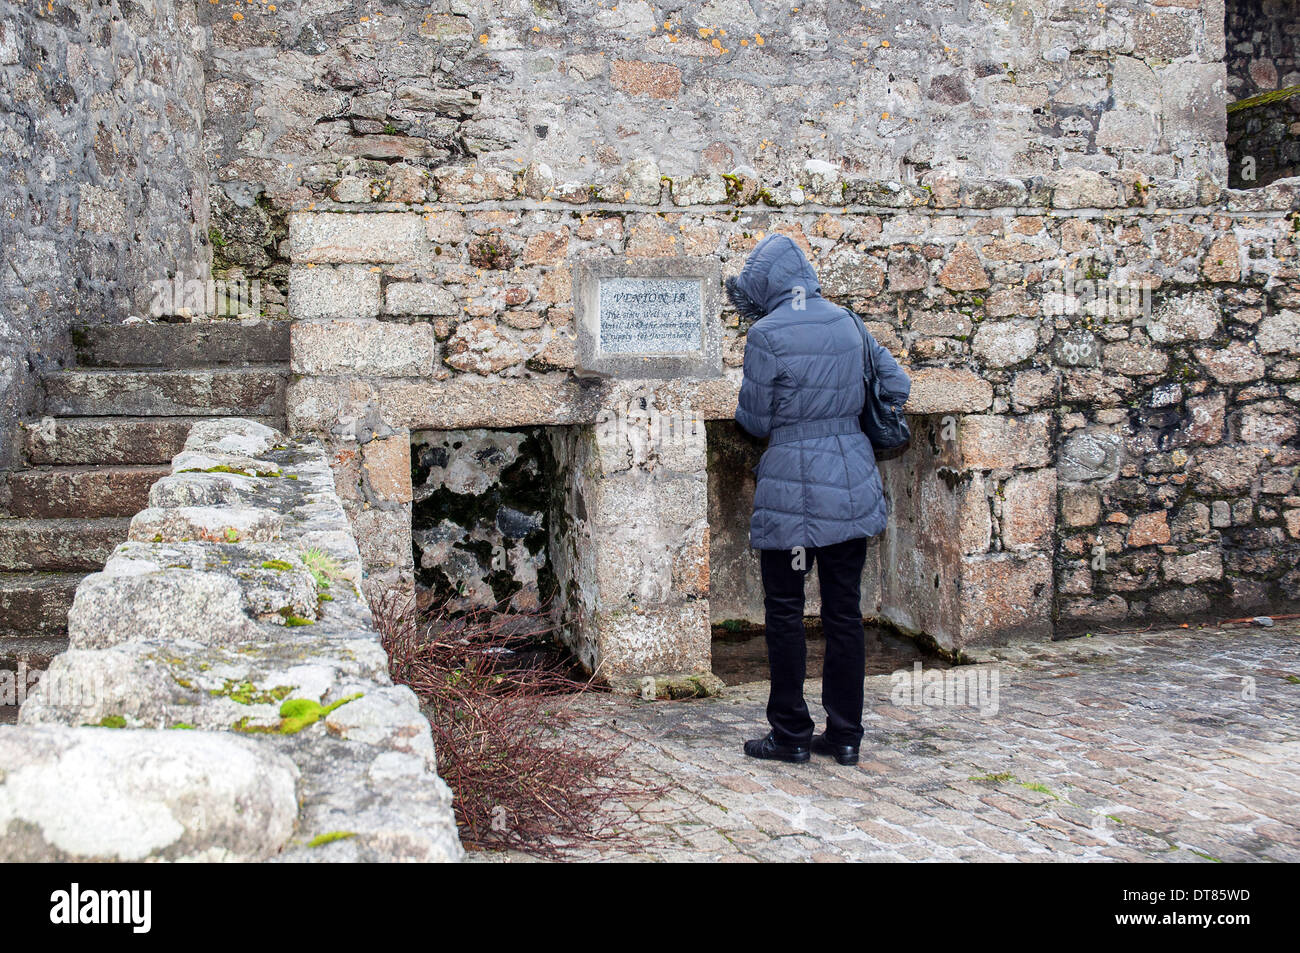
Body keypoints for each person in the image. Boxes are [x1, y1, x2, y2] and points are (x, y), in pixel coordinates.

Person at [729, 233, 911, 766]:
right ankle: (846, 735)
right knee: (844, 613)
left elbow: (754, 420)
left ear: (766, 286)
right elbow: (897, 384)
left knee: (785, 612)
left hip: (791, 492)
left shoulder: (766, 333)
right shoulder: (850, 322)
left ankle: (790, 735)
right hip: (852, 483)